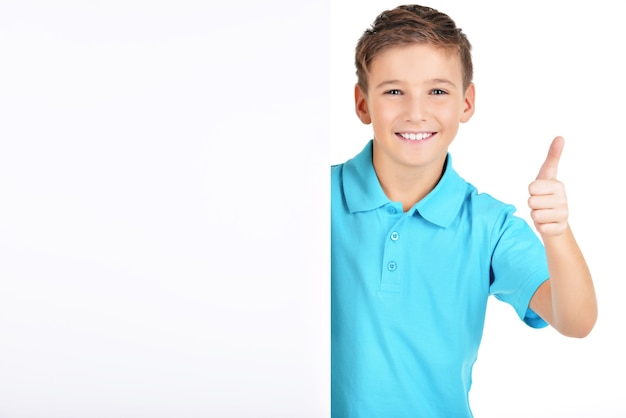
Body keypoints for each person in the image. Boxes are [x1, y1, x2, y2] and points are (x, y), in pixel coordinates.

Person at [330, 4, 598, 417]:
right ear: (362, 103)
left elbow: (577, 321)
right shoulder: (316, 198)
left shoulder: (489, 225)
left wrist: (558, 233)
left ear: (466, 103)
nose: (416, 111)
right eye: (393, 90)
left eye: (437, 91)